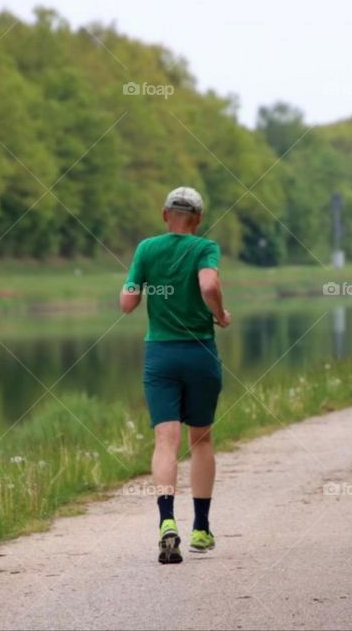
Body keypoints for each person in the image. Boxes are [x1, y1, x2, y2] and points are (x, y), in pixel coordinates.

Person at [120, 186, 231, 565]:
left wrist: (140, 285)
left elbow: (127, 303)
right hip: (199, 351)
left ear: (164, 214)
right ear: (197, 219)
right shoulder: (204, 248)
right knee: (200, 440)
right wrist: (219, 314)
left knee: (165, 441)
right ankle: (201, 527)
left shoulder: (146, 249)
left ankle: (167, 522)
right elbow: (209, 284)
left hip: (160, 356)